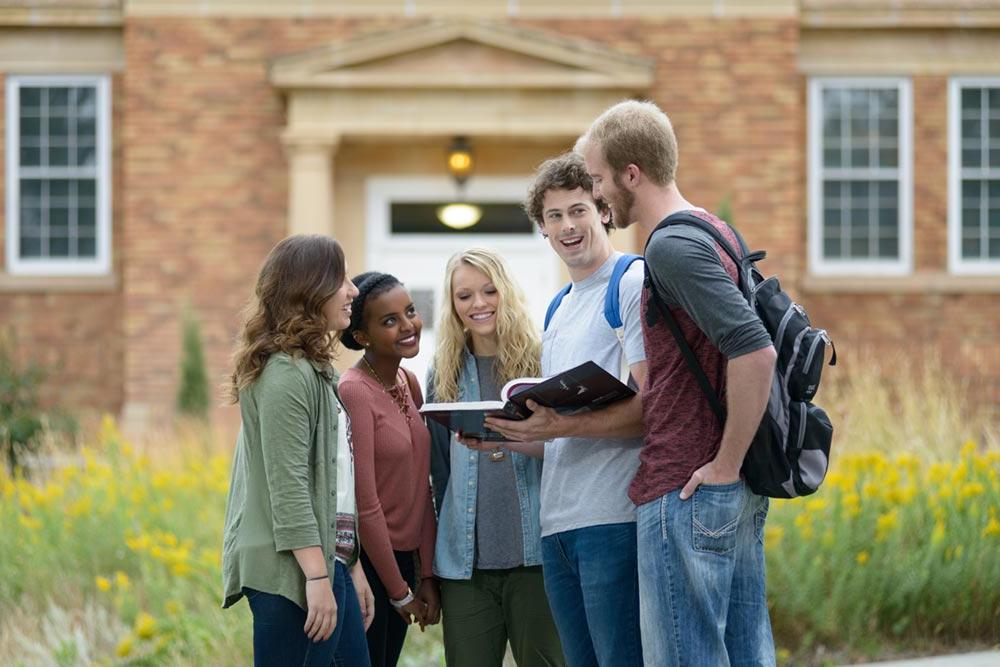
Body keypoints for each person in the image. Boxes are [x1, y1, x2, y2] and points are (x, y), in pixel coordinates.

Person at [580, 100, 778, 666]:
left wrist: (725, 464)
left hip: (688, 487)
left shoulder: (669, 245)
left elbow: (753, 351)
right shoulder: (714, 231)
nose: (597, 196)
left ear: (630, 174)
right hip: (716, 489)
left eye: (598, 180)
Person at [483, 152, 646, 667]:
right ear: (543, 229)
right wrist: (501, 435)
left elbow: (649, 409)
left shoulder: (631, 282)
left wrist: (560, 423)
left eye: (578, 210)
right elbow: (557, 438)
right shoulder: (558, 306)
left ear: (603, 211)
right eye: (554, 217)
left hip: (613, 519)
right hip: (556, 526)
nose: (567, 226)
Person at [221, 234, 374, 666]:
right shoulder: (285, 376)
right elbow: (289, 486)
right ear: (310, 290)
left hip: (326, 563)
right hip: (291, 575)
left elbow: (333, 483)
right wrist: (318, 576)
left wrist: (350, 564)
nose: (353, 291)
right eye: (341, 279)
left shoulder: (313, 370)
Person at [426, 248, 565, 667]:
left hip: (536, 559)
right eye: (464, 295)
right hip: (466, 568)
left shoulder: (542, 362)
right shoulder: (443, 372)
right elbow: (440, 472)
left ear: (507, 292)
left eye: (489, 291)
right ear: (452, 305)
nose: (479, 304)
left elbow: (567, 449)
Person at [338, 271, 441, 667]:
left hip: (406, 561)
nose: (407, 325)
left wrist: (426, 575)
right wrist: (398, 591)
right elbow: (365, 502)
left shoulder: (409, 382)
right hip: (369, 566)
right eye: (389, 320)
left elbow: (422, 488)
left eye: (410, 312)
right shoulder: (354, 390)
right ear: (362, 336)